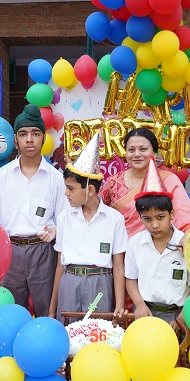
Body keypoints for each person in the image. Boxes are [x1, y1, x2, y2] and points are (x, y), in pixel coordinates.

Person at [0, 104, 68, 317]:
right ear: (16, 140)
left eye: (35, 134)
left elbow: (65, 219)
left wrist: (55, 230)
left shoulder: (56, 178)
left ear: (43, 138)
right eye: (23, 134)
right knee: (12, 312)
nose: (29, 139)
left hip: (43, 251)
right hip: (10, 251)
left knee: (47, 309)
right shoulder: (2, 177)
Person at [49, 134, 128, 322]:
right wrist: (52, 308)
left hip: (100, 284)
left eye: (71, 188)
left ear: (90, 190)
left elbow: (118, 267)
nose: (66, 193)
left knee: (97, 332)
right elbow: (60, 265)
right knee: (68, 331)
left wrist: (119, 306)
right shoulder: (64, 218)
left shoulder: (114, 219)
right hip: (69, 282)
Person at [124, 159, 190, 332]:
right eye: (147, 219)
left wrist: (182, 318)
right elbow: (130, 279)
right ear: (140, 218)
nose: (155, 225)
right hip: (145, 312)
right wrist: (139, 304)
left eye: (160, 217)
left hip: (177, 315)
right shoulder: (135, 243)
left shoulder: (186, 244)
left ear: (172, 214)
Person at [100, 127, 190, 239]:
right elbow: (99, 214)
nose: (137, 154)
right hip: (122, 246)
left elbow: (184, 215)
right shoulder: (113, 182)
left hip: (162, 245)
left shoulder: (168, 179)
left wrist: (188, 235)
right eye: (131, 150)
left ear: (154, 152)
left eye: (143, 149)